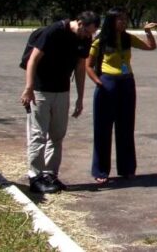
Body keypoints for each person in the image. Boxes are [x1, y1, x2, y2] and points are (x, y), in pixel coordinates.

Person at [20, 12, 100, 194]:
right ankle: (35, 177)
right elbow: (33, 59)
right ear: (80, 23)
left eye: (91, 33)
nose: (88, 36)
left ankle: (50, 174)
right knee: (38, 134)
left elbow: (80, 67)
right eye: (87, 31)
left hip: (62, 90)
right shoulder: (54, 31)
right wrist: (29, 88)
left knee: (57, 135)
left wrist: (80, 97)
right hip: (41, 90)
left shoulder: (85, 39)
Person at [86, 8, 157, 184]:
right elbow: (88, 65)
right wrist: (98, 82)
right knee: (103, 129)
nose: (123, 22)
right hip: (107, 83)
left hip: (126, 83)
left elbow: (151, 47)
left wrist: (147, 32)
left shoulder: (128, 38)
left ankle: (127, 168)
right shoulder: (100, 41)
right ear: (111, 21)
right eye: (120, 19)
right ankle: (101, 170)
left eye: (125, 19)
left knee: (126, 127)